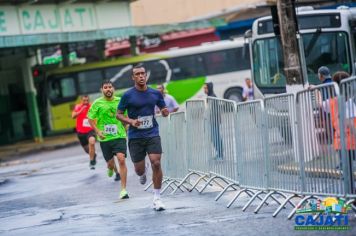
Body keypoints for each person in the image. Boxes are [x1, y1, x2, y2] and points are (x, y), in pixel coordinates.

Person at [116, 64, 169, 211]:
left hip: (152, 133)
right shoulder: (128, 95)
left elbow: (163, 107)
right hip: (135, 136)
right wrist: (132, 121)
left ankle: (157, 198)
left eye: (142, 73)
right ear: (133, 77)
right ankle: (143, 170)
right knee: (139, 170)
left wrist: (165, 111)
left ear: (146, 75)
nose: (140, 76)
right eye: (137, 74)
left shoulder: (155, 93)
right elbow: (118, 114)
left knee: (156, 162)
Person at [87, 81, 129, 199]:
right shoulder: (97, 103)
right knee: (111, 164)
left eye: (110, 87)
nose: (108, 89)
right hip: (105, 138)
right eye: (105, 88)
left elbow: (125, 116)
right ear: (102, 90)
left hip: (119, 136)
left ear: (113, 89)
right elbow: (90, 119)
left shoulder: (120, 101)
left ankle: (123, 190)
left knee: (121, 160)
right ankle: (110, 168)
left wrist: (126, 128)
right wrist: (98, 131)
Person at [330, 72, 356, 173]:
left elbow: (320, 105)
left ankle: (348, 188)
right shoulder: (348, 102)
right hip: (351, 140)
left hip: (340, 142)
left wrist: (316, 90)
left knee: (346, 171)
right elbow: (350, 123)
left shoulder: (333, 101)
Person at [71, 95, 97, 169]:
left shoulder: (92, 106)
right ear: (81, 100)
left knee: (92, 142)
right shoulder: (78, 107)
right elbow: (73, 116)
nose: (86, 102)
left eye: (87, 100)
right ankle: (93, 156)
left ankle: (92, 161)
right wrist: (80, 111)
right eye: (84, 101)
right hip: (81, 132)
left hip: (90, 130)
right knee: (87, 150)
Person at [203, 82, 223, 159]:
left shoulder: (212, 97)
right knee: (214, 138)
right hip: (212, 120)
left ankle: (220, 155)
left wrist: (205, 117)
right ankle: (219, 153)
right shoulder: (210, 96)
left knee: (216, 138)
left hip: (214, 120)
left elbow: (210, 110)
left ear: (209, 88)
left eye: (205, 88)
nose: (204, 90)